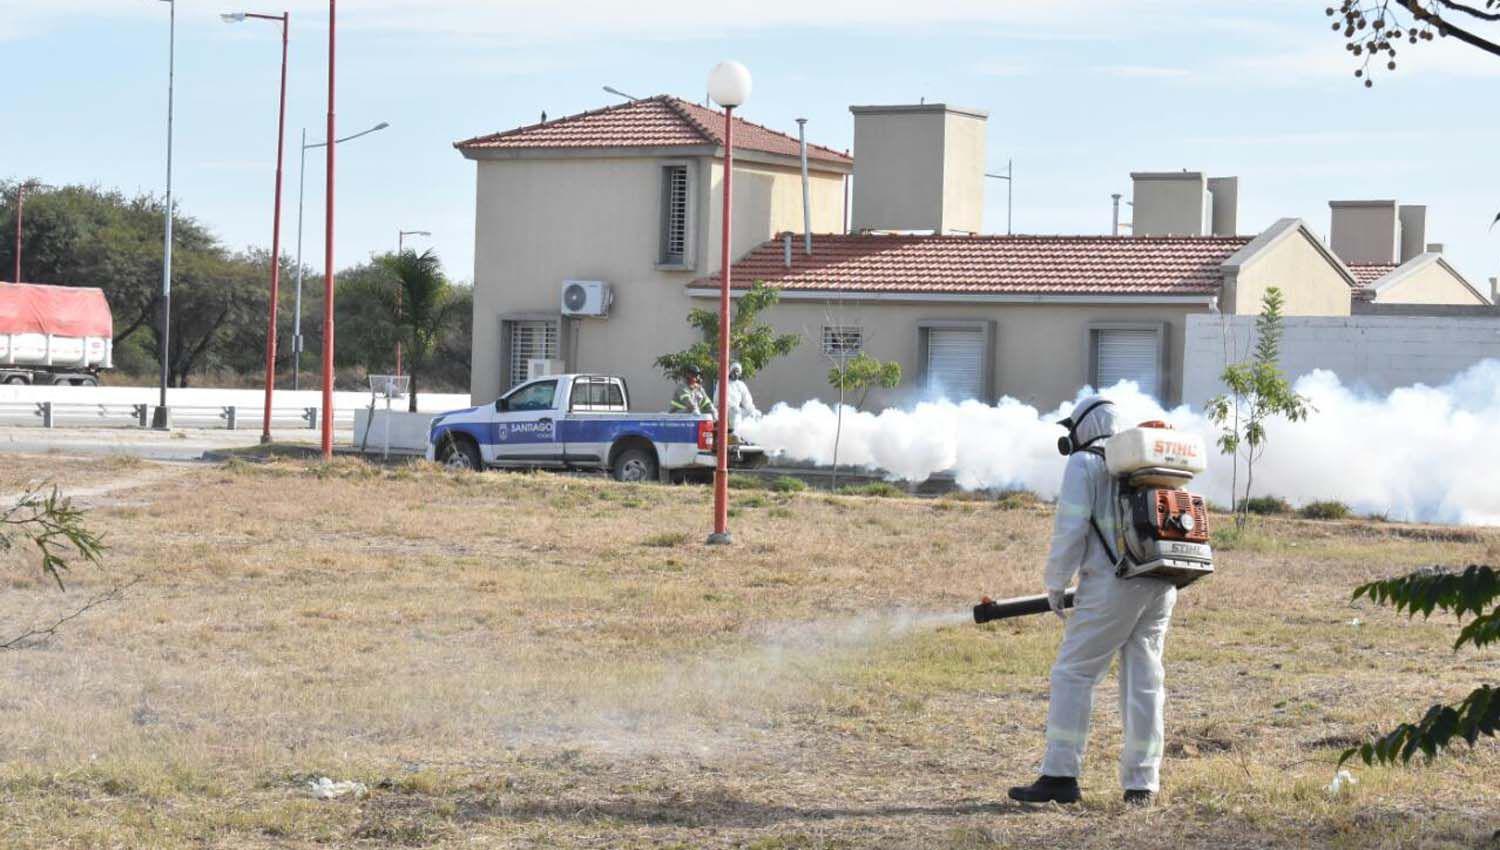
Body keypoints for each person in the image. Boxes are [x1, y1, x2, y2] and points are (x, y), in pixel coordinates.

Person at [1008, 395, 1177, 808]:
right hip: (1162, 581)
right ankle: (1142, 784)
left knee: (1074, 674)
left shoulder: (1084, 463)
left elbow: (1071, 529)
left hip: (1112, 585)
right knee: (1144, 681)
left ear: (1084, 426)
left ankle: (1060, 776)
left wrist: (1054, 583)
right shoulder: (1145, 464)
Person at [714, 361, 759, 431]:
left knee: (754, 413)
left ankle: (750, 434)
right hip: (724, 410)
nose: (735, 373)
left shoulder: (741, 385)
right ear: (730, 371)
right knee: (735, 410)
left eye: (737, 371)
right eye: (734, 371)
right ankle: (734, 433)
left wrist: (752, 411)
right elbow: (717, 400)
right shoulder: (722, 382)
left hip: (736, 410)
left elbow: (747, 401)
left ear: (740, 374)